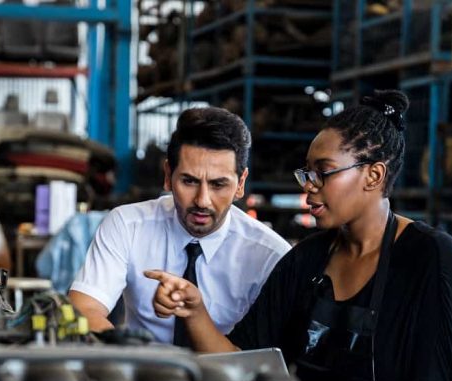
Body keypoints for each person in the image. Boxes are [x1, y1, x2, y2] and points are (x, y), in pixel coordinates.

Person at [144, 91, 452, 381]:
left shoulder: (431, 256)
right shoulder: (304, 261)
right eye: (306, 174)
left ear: (373, 177)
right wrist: (194, 311)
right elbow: (239, 359)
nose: (310, 188)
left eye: (323, 173)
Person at [69, 107, 290, 344]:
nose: (202, 200)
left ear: (240, 183)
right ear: (167, 175)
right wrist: (129, 361)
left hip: (230, 377)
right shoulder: (127, 226)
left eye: (218, 184)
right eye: (189, 181)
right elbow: (84, 310)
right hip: (141, 369)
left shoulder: (271, 257)